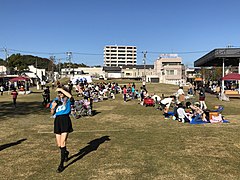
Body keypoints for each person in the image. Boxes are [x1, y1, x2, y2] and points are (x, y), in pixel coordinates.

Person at [50, 88, 73, 173]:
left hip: (65, 120)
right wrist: (53, 107)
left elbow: (70, 96)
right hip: (57, 121)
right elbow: (52, 113)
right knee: (59, 144)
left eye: (62, 93)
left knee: (63, 143)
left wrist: (61, 89)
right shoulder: (56, 100)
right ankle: (66, 152)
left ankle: (61, 164)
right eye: (59, 93)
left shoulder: (67, 100)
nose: (60, 94)